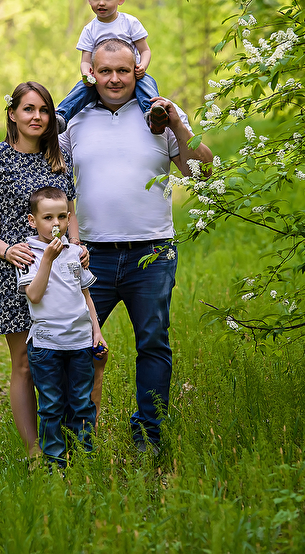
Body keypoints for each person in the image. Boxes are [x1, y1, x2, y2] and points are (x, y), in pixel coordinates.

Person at [59, 38, 213, 453]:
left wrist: (178, 123)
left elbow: (203, 173)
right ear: (92, 73)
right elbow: (52, 184)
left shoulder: (159, 117)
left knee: (153, 344)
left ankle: (148, 435)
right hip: (90, 256)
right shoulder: (74, 121)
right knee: (76, 345)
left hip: (152, 254)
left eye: (123, 71)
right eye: (105, 71)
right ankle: (76, 437)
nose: (114, 79)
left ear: (137, 71)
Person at [0, 81, 86, 458]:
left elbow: (70, 212)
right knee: (25, 364)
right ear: (12, 113)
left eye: (44, 110)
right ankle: (35, 451)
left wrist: (78, 247)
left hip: (61, 276)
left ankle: (69, 441)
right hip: (16, 271)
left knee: (64, 358)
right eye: (29, 109)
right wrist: (5, 249)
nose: (37, 117)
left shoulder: (59, 158)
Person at [16, 186, 107, 468]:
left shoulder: (75, 252)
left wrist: (96, 331)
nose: (55, 224)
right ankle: (55, 464)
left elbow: (86, 296)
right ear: (32, 221)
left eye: (61, 217)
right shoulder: (28, 254)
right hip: (46, 345)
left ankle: (84, 459)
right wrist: (47, 259)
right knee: (51, 406)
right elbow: (34, 295)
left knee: (81, 403)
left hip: (80, 342)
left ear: (69, 218)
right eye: (47, 218)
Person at [56, 0, 169, 134]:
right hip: (100, 79)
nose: (101, 3)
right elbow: (85, 60)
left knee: (147, 83)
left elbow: (145, 50)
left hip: (131, 75)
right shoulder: (90, 30)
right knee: (80, 89)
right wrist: (86, 74)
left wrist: (143, 66)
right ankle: (60, 117)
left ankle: (152, 115)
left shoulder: (129, 23)